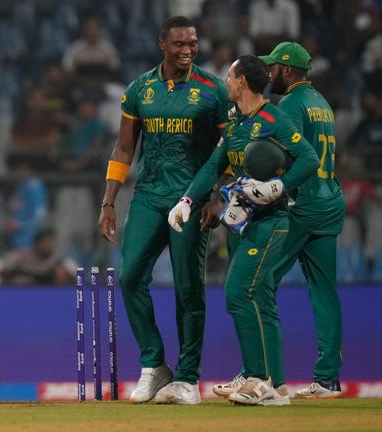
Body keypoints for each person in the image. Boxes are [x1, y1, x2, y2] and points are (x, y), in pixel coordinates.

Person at [169, 54, 319, 406]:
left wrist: (280, 186)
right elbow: (213, 165)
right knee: (261, 300)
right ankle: (276, 384)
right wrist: (188, 201)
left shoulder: (273, 118)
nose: (225, 82)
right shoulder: (236, 122)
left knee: (238, 293)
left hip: (271, 221)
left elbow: (309, 158)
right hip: (242, 221)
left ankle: (257, 378)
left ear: (241, 83)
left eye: (229, 76)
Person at [97, 16, 232, 405]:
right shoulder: (140, 89)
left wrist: (216, 194)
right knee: (129, 275)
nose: (188, 50)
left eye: (193, 43)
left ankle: (188, 378)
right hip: (149, 196)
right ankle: (154, 365)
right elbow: (124, 149)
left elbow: (229, 149)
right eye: (180, 44)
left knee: (188, 287)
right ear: (162, 44)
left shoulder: (213, 90)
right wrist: (108, 201)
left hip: (192, 199)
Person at [213, 42, 345, 400]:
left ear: (287, 71)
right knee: (324, 291)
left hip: (301, 206)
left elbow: (275, 161)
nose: (268, 74)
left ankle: (261, 375)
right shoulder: (322, 104)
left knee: (257, 283)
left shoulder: (287, 105)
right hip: (331, 201)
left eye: (273, 68)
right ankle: (328, 379)